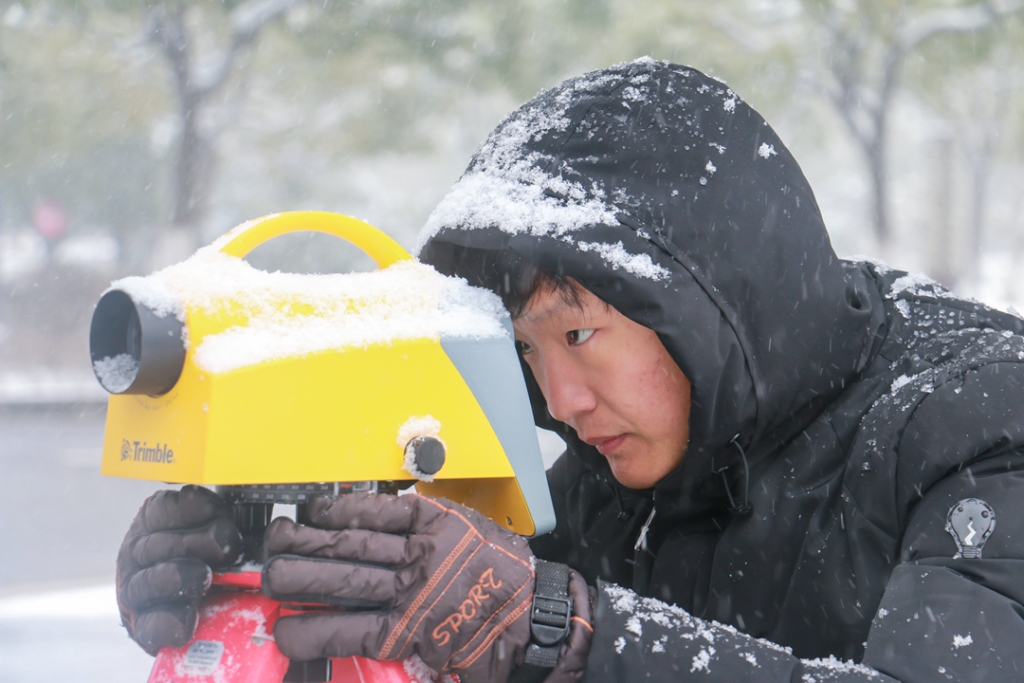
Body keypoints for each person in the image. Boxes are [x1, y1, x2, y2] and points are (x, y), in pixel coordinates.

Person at [115, 59, 1024, 682]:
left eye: (579, 334)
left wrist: (565, 630)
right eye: (525, 348)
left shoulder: (984, 426)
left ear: (709, 303)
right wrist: (257, 584)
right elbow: (466, 622)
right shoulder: (619, 469)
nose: (559, 400)